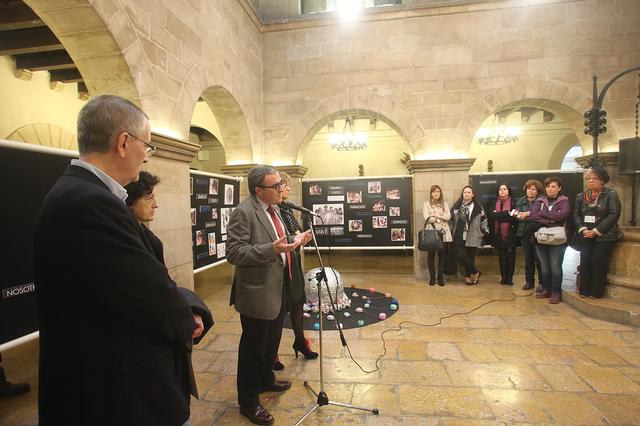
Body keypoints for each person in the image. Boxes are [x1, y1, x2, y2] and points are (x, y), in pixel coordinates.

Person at [34, 95, 205, 426]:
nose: (147, 156)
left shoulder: (78, 192)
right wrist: (188, 319)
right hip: (113, 391)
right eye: (147, 146)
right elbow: (146, 293)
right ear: (124, 142)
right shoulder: (90, 202)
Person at [226, 165, 313, 426]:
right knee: (253, 349)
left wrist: (296, 240)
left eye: (280, 184)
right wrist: (270, 249)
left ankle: (266, 379)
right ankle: (248, 401)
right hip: (257, 292)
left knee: (272, 340)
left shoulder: (274, 209)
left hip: (279, 286)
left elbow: (279, 241)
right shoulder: (244, 212)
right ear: (258, 190)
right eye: (275, 186)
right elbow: (234, 252)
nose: (281, 189)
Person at [124, 171, 214, 374]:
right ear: (129, 201)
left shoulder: (142, 232)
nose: (156, 204)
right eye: (149, 198)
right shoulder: (129, 239)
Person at [272, 172, 318, 372]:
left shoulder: (287, 207)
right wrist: (295, 238)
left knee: (298, 301)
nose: (289, 189)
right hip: (279, 265)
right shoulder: (271, 210)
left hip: (294, 260)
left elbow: (294, 230)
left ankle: (300, 341)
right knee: (279, 309)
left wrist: (301, 237)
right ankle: (272, 353)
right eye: (286, 185)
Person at [574, 167, 622, 299]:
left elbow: (614, 214)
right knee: (585, 261)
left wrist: (596, 231)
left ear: (602, 180)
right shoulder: (581, 196)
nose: (590, 181)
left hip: (604, 235)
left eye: (594, 178)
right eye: (588, 178)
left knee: (598, 261)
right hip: (586, 233)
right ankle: (584, 290)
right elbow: (576, 215)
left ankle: (596, 291)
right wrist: (583, 229)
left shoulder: (611, 195)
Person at [529, 177, 571, 304]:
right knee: (544, 267)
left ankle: (556, 292)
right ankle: (546, 289)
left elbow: (562, 215)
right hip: (541, 238)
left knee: (555, 267)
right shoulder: (540, 201)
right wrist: (551, 221)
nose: (550, 189)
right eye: (548, 187)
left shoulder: (564, 201)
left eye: (553, 187)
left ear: (559, 188)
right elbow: (533, 216)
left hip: (558, 239)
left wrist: (543, 215)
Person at [450, 186, 489, 285]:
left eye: (469, 192)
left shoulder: (478, 207)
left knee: (470, 257)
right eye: (465, 192)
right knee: (461, 255)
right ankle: (476, 272)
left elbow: (484, 220)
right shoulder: (457, 206)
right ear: (462, 194)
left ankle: (467, 276)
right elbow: (451, 220)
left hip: (473, 235)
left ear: (472, 194)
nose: (466, 194)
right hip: (459, 235)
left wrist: (482, 232)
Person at [487, 183, 519, 285]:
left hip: (511, 233)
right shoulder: (493, 202)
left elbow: (515, 217)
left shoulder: (514, 202)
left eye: (505, 189)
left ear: (508, 191)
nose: (502, 191)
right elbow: (491, 216)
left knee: (511, 257)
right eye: (500, 189)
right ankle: (503, 278)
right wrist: (507, 213)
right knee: (502, 257)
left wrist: (499, 215)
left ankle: (510, 278)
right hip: (498, 234)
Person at [515, 179, 543, 291]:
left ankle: (542, 283)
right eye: (528, 189)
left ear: (537, 191)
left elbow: (541, 216)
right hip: (524, 233)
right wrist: (528, 217)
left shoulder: (542, 200)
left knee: (539, 260)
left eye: (533, 189)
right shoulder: (521, 200)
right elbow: (516, 215)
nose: (530, 191)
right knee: (528, 259)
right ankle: (529, 282)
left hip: (538, 233)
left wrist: (527, 214)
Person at [422, 185, 452, 286]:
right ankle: (432, 278)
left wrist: (436, 217)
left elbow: (448, 217)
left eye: (438, 191)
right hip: (432, 232)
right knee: (431, 256)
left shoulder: (444, 204)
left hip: (444, 233)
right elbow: (427, 218)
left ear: (440, 193)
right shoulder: (426, 204)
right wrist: (440, 218)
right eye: (434, 192)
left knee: (442, 256)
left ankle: (440, 278)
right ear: (431, 193)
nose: (436, 193)